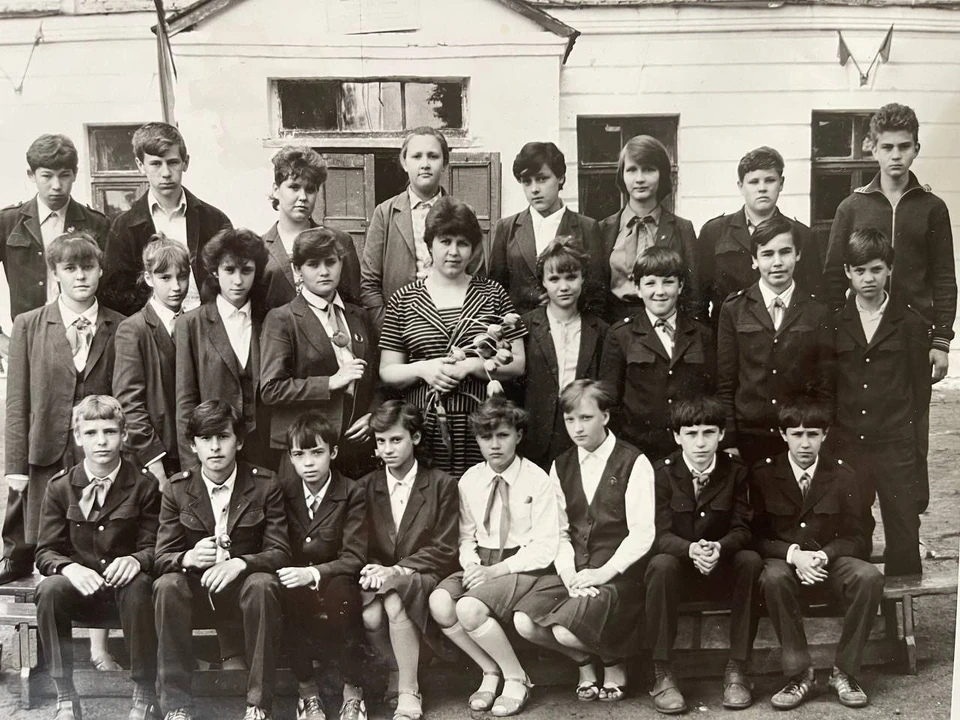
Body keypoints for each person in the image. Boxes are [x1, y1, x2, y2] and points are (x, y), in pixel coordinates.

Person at [823, 102, 956, 537]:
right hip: (862, 339)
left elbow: (944, 277)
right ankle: (854, 526)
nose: (895, 155)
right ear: (872, 149)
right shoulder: (852, 206)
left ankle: (906, 520)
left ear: (916, 148)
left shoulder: (932, 207)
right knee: (855, 428)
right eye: (887, 147)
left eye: (904, 147)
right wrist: (840, 329)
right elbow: (832, 274)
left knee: (912, 431)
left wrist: (941, 341)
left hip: (912, 341)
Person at [2, 230, 128, 679]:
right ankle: (42, 652)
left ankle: (99, 646)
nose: (80, 276)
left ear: (100, 271)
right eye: (70, 268)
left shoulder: (120, 325)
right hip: (46, 458)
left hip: (98, 453)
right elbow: (17, 401)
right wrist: (15, 466)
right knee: (49, 546)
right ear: (54, 273)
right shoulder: (30, 325)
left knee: (99, 543)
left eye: (88, 267)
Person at [513, 380, 654, 705]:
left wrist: (603, 573)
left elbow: (642, 532)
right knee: (524, 622)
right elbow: (559, 532)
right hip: (575, 572)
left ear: (605, 416)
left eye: (586, 418)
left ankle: (614, 662)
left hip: (617, 576)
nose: (577, 428)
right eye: (570, 419)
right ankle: (584, 661)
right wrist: (568, 575)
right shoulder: (561, 465)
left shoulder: (633, 461)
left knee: (564, 630)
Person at [153, 400, 289, 720]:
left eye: (223, 437)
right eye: (205, 439)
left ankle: (258, 705)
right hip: (196, 595)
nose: (215, 447)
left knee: (263, 584)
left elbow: (281, 551)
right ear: (193, 445)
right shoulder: (177, 488)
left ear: (239, 442)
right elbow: (161, 558)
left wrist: (241, 563)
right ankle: (177, 705)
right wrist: (188, 557)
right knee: (166, 585)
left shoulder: (264, 484)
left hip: (244, 593)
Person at [428, 398, 561, 717]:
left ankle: (517, 678)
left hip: (523, 566)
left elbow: (545, 546)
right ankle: (490, 670)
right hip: (482, 563)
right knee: (440, 602)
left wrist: (496, 571)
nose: (495, 445)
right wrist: (472, 565)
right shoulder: (470, 479)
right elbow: (466, 537)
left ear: (518, 435)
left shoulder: (537, 479)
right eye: (486, 437)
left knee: (469, 608)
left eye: (503, 435)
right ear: (477, 440)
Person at [379, 197, 527, 476]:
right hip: (423, 425)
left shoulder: (492, 294)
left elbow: (518, 363)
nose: (454, 252)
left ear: (473, 249)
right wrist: (424, 369)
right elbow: (388, 370)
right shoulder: (404, 299)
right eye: (445, 241)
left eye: (463, 243)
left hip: (483, 426)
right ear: (430, 245)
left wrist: (472, 365)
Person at [34, 396, 161, 720]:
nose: (101, 441)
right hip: (83, 594)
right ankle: (65, 695)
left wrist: (137, 560)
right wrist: (69, 568)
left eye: (110, 431)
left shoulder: (144, 485)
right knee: (49, 590)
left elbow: (156, 546)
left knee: (140, 585)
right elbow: (45, 550)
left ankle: (145, 693)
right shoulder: (61, 487)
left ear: (124, 435)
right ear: (78, 437)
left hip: (127, 596)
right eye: (91, 433)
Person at [752, 403, 882, 711]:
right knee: (772, 577)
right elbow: (754, 536)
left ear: (825, 435)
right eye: (796, 434)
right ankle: (800, 676)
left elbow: (858, 536)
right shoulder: (763, 474)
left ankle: (844, 673)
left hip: (829, 565)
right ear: (783, 434)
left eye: (812, 434)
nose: (804, 443)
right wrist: (794, 555)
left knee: (869, 578)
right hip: (785, 565)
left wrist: (824, 555)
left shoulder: (842, 475)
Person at [644, 396, 761, 714]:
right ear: (676, 436)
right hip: (679, 575)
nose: (700, 443)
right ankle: (662, 672)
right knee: (660, 565)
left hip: (721, 571)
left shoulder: (736, 471)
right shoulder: (662, 473)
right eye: (691, 433)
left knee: (750, 561)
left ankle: (738, 668)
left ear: (721, 435)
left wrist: (720, 547)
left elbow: (744, 528)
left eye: (709, 432)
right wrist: (690, 549)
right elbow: (658, 534)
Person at [826, 229, 930, 575]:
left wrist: (908, 444)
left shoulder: (911, 323)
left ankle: (903, 606)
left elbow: (920, 393)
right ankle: (861, 597)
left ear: (890, 269)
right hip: (850, 445)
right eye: (860, 271)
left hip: (894, 446)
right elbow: (830, 386)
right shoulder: (835, 322)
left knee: (903, 528)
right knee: (853, 527)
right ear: (847, 272)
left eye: (876, 269)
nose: (868, 278)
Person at [360, 401, 459, 720]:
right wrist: (374, 567)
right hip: (380, 572)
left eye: (396, 439)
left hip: (423, 572)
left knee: (393, 600)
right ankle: (395, 669)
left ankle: (408, 690)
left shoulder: (442, 484)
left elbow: (445, 547)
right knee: (371, 616)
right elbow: (359, 541)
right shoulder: (366, 486)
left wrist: (398, 569)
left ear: (415, 438)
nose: (387, 449)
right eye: (381, 441)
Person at [716, 215, 833, 464]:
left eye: (785, 252)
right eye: (767, 254)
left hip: (798, 435)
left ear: (798, 254)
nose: (777, 262)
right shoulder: (734, 309)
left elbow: (825, 383)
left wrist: (816, 437)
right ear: (754, 260)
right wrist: (729, 441)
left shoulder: (817, 311)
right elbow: (725, 383)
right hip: (749, 435)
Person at [260, 227, 376, 479]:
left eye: (331, 262)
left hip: (354, 448)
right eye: (313, 264)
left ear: (341, 263)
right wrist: (330, 382)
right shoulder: (282, 319)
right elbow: (271, 389)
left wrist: (373, 416)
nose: (324, 271)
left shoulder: (358, 316)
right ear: (297, 269)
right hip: (305, 450)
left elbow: (377, 378)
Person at [277, 413, 368, 720]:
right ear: (290, 458)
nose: (309, 463)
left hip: (336, 578)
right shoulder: (283, 492)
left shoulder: (351, 492)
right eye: (299, 454)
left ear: (334, 452)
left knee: (343, 593)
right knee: (286, 593)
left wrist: (313, 573)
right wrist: (300, 575)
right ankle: (307, 692)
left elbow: (354, 556)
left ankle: (353, 691)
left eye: (317, 452)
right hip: (297, 580)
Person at [101, 121, 232, 317]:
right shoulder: (123, 227)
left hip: (207, 324)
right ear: (140, 166)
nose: (166, 173)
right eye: (155, 164)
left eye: (172, 162)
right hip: (153, 328)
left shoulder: (214, 221)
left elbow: (229, 278)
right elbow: (116, 295)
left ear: (185, 162)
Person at [600, 247, 714, 461]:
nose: (659, 291)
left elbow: (712, 393)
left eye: (668, 282)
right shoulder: (621, 335)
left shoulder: (702, 334)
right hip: (639, 451)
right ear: (638, 288)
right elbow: (610, 400)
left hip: (690, 451)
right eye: (650, 283)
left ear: (680, 286)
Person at [176, 228, 270, 470]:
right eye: (229, 270)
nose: (238, 281)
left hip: (266, 452)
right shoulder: (191, 324)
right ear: (215, 271)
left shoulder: (270, 320)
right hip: (215, 451)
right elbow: (186, 401)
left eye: (246, 270)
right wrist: (192, 468)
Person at [697, 146, 823, 325]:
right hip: (728, 333)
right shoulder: (714, 232)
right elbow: (699, 299)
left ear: (781, 183)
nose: (762, 188)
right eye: (754, 182)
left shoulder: (802, 235)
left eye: (770, 180)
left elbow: (815, 297)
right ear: (740, 186)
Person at [0, 133, 109, 339]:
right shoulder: (8, 221)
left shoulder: (96, 223)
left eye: (64, 175)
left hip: (83, 334)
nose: (57, 185)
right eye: (47, 176)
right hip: (29, 334)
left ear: (75, 174)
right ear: (31, 175)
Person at [486, 142, 605, 316]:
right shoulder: (506, 228)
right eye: (527, 182)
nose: (534, 189)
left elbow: (597, 295)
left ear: (560, 177)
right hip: (520, 330)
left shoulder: (587, 227)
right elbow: (495, 292)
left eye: (542, 179)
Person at [519, 239, 608, 469]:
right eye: (554, 279)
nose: (564, 286)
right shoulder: (526, 327)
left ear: (583, 278)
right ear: (543, 282)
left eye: (571, 277)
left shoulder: (600, 330)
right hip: (535, 434)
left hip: (582, 433)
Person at [113, 236, 190, 490]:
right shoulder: (133, 329)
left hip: (192, 454)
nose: (176, 286)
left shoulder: (194, 324)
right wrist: (156, 465)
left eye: (182, 276)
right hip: (155, 459)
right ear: (149, 279)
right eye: (165, 278)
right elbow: (129, 403)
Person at [598, 135, 700, 323]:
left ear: (662, 174)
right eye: (631, 170)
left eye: (648, 169)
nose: (639, 179)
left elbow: (694, 297)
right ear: (622, 175)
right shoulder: (603, 229)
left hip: (666, 327)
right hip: (614, 330)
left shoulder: (682, 229)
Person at [361, 127, 454, 328]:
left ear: (445, 163)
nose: (425, 164)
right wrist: (390, 332)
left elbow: (477, 278)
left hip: (452, 326)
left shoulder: (462, 213)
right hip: (399, 329)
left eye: (433, 156)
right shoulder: (385, 213)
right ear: (404, 163)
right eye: (416, 156)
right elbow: (369, 283)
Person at [261, 146, 362, 311]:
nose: (303, 197)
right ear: (276, 190)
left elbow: (354, 306)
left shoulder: (340, 241)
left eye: (310, 190)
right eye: (294, 187)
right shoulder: (260, 248)